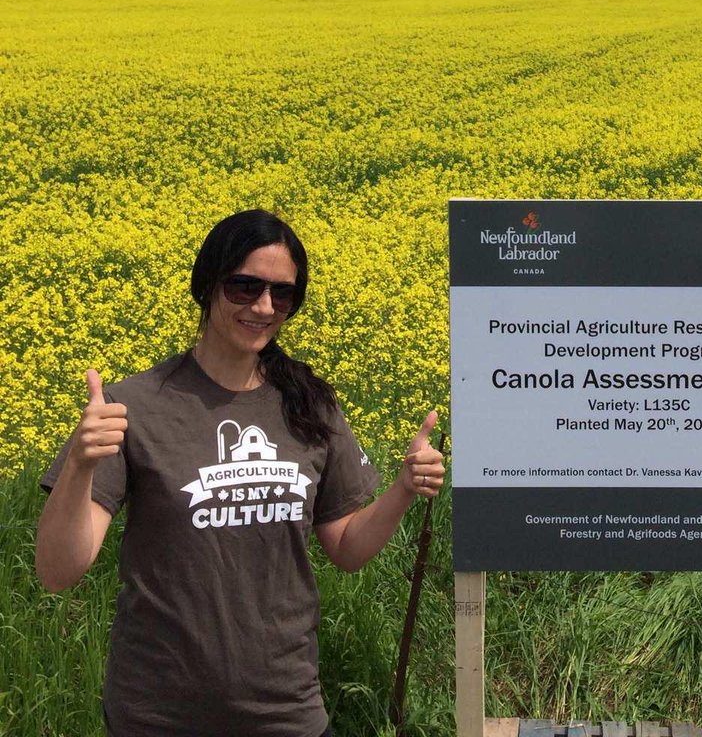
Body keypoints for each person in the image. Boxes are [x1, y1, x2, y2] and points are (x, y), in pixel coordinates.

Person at [37, 209, 445, 737]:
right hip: (158, 716)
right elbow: (57, 571)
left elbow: (347, 548)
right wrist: (80, 464)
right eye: (244, 287)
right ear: (207, 285)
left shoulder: (310, 404)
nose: (264, 307)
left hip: (286, 711)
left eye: (283, 294)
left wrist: (404, 488)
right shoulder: (133, 405)